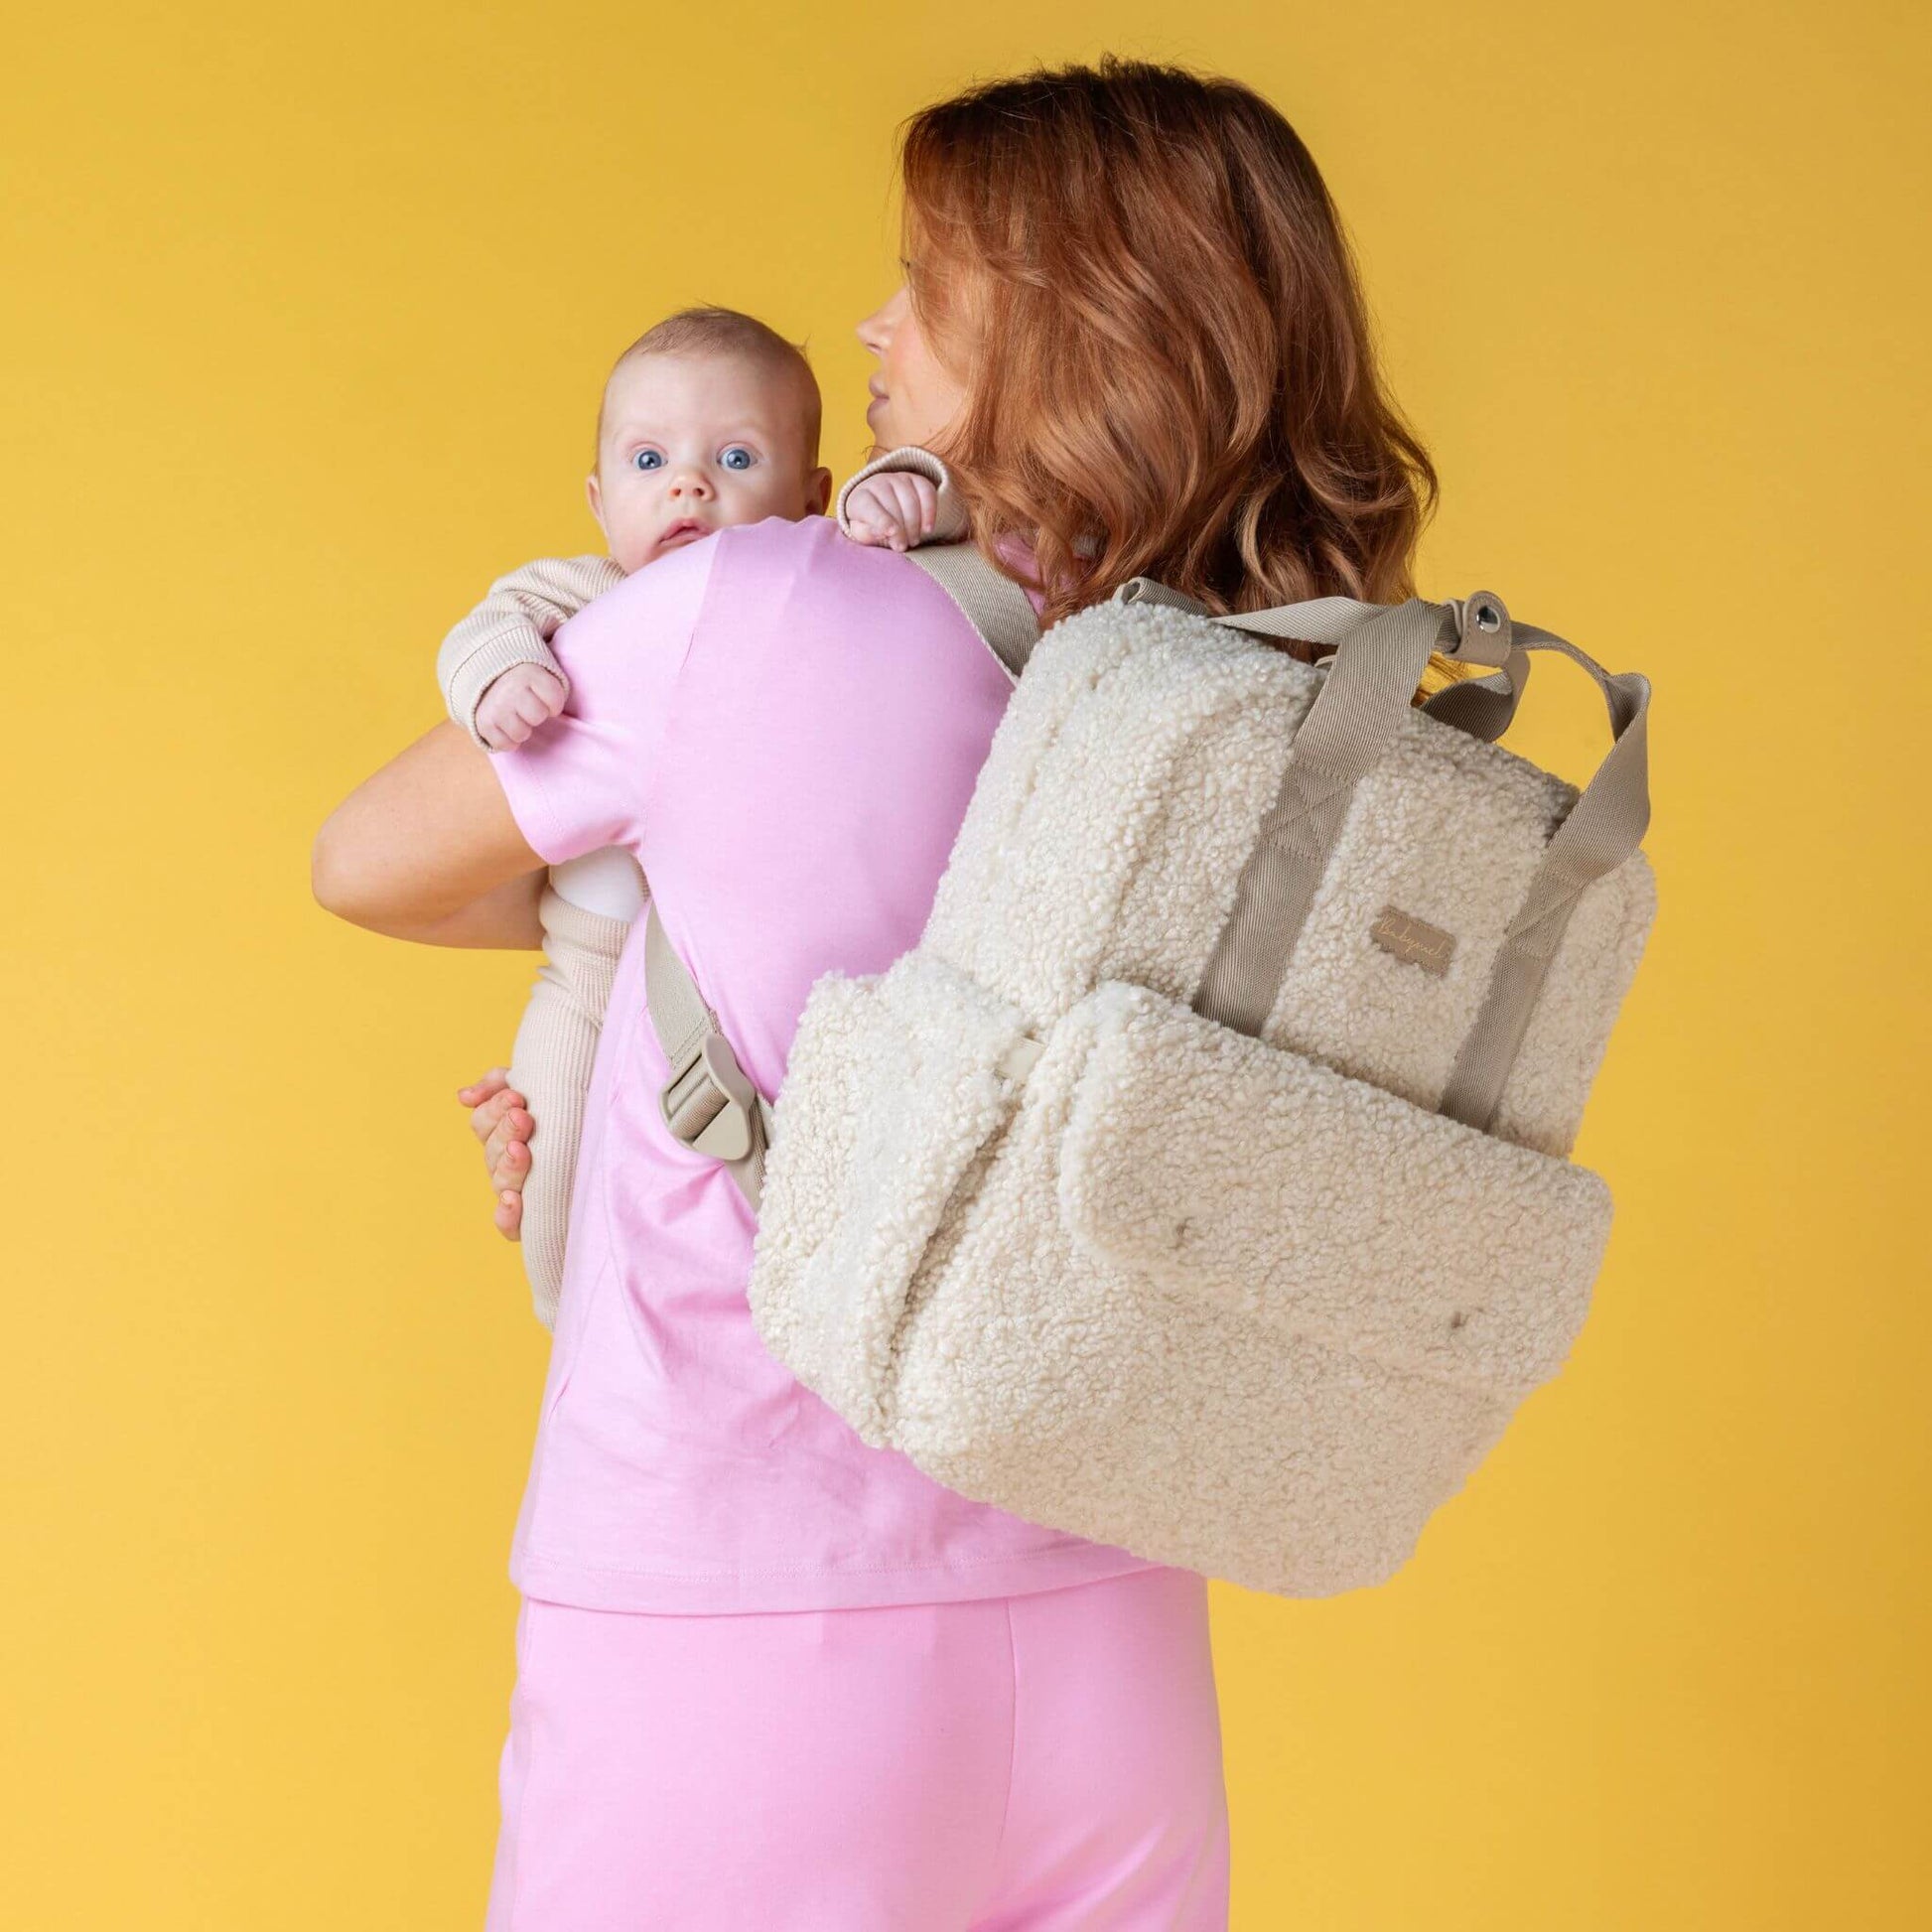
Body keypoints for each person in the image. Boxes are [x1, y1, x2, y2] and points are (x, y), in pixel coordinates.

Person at [313, 55, 1442, 1931]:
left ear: (1063, 321)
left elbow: (362, 860)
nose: (872, 320)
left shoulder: (743, 607)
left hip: (735, 1613)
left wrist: (637, 916)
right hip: (1106, 1609)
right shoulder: (1259, 680)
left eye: (925, 277)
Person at [431, 305, 950, 1327]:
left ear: (809, 495)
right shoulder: (580, 596)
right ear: (595, 497)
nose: (688, 483)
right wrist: (501, 677)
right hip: (585, 973)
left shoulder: (816, 582)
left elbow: (924, 522)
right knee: (550, 1172)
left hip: (748, 998)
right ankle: (568, 1325)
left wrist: (905, 490)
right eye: (650, 459)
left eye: (736, 455)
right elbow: (476, 632)